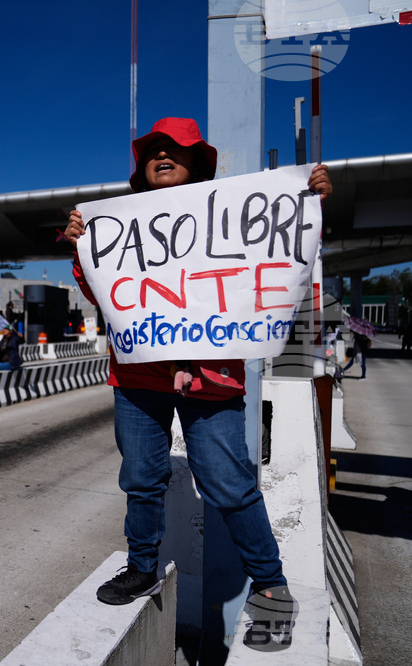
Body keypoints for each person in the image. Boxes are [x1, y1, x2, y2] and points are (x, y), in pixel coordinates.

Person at [64, 117, 332, 650]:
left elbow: (282, 258)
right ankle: (142, 565)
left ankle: (273, 587)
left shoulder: (232, 215)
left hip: (212, 375)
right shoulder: (120, 222)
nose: (163, 155)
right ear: (141, 167)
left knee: (229, 484)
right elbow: (104, 295)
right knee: (140, 476)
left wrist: (311, 201)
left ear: (199, 164)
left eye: (176, 150)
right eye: (153, 150)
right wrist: (80, 249)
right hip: (140, 373)